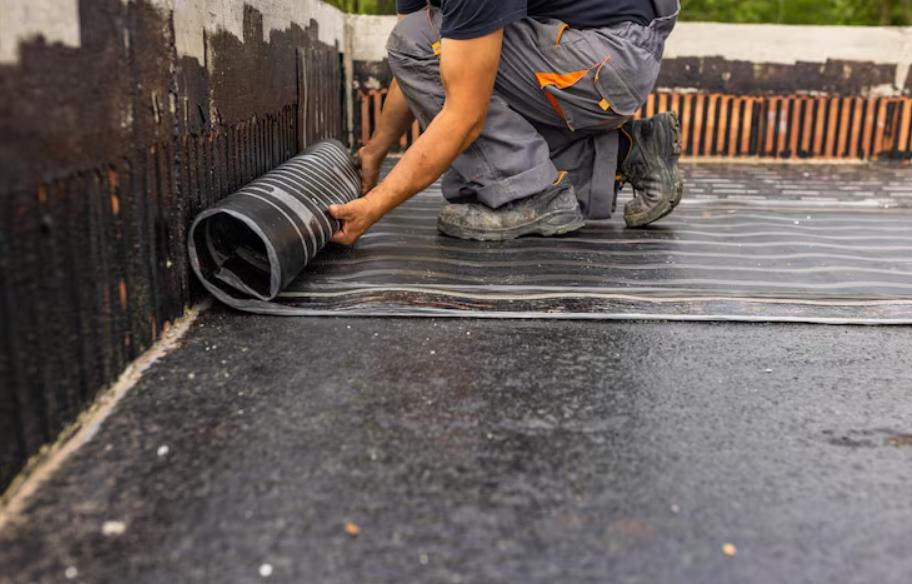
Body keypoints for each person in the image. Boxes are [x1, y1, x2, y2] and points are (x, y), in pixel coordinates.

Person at [329, 0, 683, 244]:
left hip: (608, 57)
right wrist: (375, 150)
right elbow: (414, 63)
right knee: (471, 178)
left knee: (485, 167)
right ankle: (628, 152)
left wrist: (374, 206)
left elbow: (462, 115)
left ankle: (532, 197)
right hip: (599, 48)